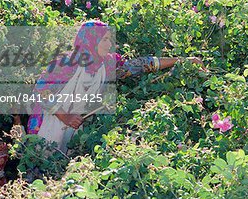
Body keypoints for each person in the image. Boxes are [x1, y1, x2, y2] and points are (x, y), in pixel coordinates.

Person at [26, 20, 206, 153]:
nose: (109, 44)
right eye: (104, 40)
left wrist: (183, 61)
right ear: (91, 40)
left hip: (73, 126)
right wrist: (65, 116)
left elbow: (142, 64)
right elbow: (40, 90)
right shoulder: (66, 63)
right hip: (48, 124)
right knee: (40, 165)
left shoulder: (107, 64)